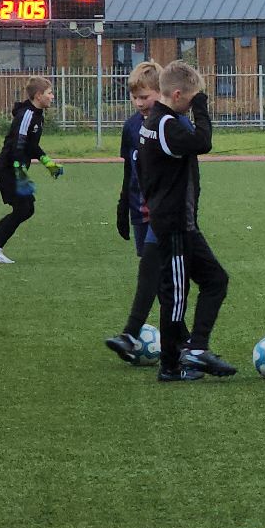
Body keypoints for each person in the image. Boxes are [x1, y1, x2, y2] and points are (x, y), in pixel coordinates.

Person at [136, 61, 236, 382]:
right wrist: (203, 109)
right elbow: (203, 142)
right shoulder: (166, 124)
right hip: (175, 225)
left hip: (183, 223)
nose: (194, 104)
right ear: (177, 95)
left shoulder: (160, 121)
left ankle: (195, 348)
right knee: (175, 295)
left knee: (215, 280)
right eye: (192, 99)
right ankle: (170, 366)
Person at [106, 62, 166, 367]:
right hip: (139, 211)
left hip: (163, 213)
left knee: (159, 276)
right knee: (153, 275)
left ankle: (176, 341)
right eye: (136, 97)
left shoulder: (168, 124)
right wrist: (121, 203)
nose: (140, 103)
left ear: (161, 93)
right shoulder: (130, 126)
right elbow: (129, 169)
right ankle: (179, 341)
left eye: (146, 96)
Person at [0, 76, 62, 264]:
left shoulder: (38, 115)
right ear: (39, 95)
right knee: (23, 208)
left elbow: (32, 146)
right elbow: (18, 144)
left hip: (14, 167)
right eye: (49, 93)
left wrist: (48, 162)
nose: (52, 96)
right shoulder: (27, 115)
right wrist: (19, 170)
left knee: (27, 208)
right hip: (9, 167)